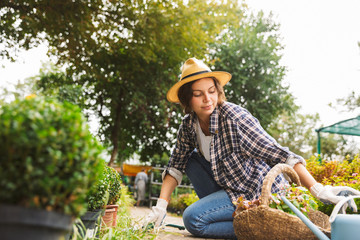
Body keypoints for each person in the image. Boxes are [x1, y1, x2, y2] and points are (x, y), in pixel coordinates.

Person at [144, 58, 360, 239]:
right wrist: (160, 207)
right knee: (188, 158)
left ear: (218, 91)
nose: (207, 99)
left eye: (211, 91)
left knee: (194, 219)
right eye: (198, 94)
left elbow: (281, 154)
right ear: (187, 98)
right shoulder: (188, 126)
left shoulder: (234, 118)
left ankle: (261, 227)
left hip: (256, 191)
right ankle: (242, 217)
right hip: (229, 188)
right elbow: (175, 166)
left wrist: (318, 190)